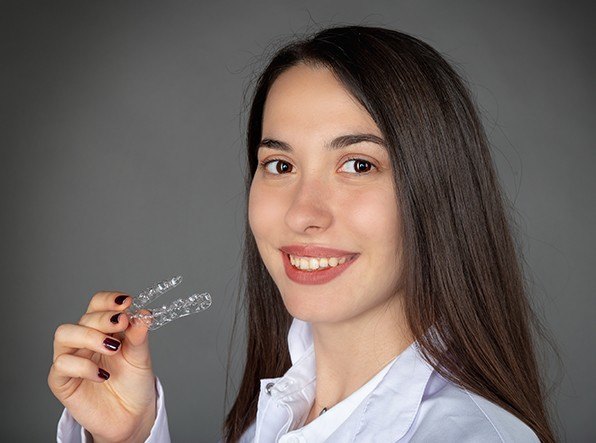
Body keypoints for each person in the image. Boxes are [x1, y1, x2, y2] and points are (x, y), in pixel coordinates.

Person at [49, 25, 556, 442]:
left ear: (438, 191)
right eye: (280, 164)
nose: (302, 213)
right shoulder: (281, 412)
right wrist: (128, 438)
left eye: (357, 164)